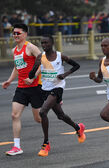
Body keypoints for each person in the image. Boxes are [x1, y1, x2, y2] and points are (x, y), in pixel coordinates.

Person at [28, 34, 85, 157]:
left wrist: (65, 74)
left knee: (43, 112)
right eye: (42, 43)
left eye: (46, 43)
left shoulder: (60, 56)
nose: (44, 45)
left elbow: (76, 66)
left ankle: (46, 143)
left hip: (57, 88)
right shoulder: (40, 57)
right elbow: (31, 75)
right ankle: (78, 128)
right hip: (45, 89)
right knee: (60, 115)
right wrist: (36, 65)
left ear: (52, 43)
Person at [2, 23, 43, 156]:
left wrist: (33, 77)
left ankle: (70, 125)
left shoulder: (31, 47)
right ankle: (17, 147)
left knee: (39, 119)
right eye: (13, 33)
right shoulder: (15, 50)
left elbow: (43, 62)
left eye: (18, 33)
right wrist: (9, 80)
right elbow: (17, 67)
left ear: (25, 34)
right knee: (14, 115)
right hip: (21, 88)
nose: (15, 35)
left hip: (35, 87)